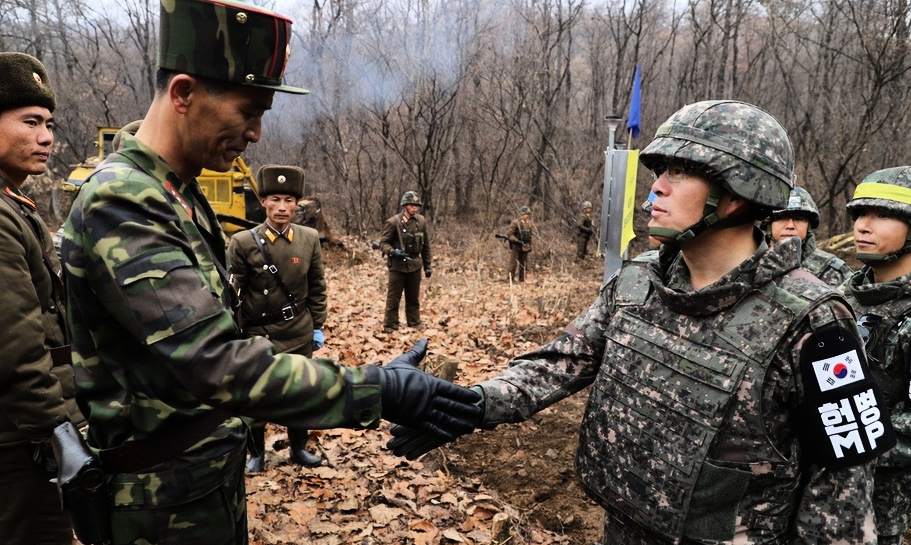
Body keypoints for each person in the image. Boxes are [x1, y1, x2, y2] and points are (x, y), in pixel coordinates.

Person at [59, 1, 481, 543]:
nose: (256, 134)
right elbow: (218, 364)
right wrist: (379, 390)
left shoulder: (176, 191)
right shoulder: (123, 201)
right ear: (184, 94)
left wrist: (370, 374)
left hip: (200, 479)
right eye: (249, 111)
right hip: (157, 502)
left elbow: (220, 340)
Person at [390, 100, 891, 544]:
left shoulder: (816, 322)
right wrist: (470, 405)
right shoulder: (639, 282)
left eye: (681, 173)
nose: (657, 188)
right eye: (660, 171)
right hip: (624, 525)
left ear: (737, 193)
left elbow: (842, 483)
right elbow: (558, 364)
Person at [0, 51, 84, 545]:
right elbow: (17, 350)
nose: (47, 136)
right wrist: (63, 436)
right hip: (19, 442)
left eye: (49, 123)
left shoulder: (16, 205)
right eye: (30, 122)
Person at [228, 165, 326, 472]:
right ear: (263, 202)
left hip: (298, 329)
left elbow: (317, 286)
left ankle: (298, 449)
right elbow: (233, 292)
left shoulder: (309, 239)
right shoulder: (243, 242)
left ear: (297, 204)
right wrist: (234, 331)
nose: (282, 207)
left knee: (300, 392)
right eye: (274, 199)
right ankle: (255, 453)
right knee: (257, 396)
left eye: (288, 200)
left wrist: (318, 326)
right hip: (259, 332)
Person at [842, 166, 911, 544]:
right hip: (817, 499)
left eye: (882, 215)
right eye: (859, 214)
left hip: (880, 506)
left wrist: (847, 438)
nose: (863, 226)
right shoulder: (839, 298)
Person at [766, 185, 852, 286]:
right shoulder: (750, 266)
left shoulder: (834, 271)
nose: (790, 226)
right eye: (781, 218)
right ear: (768, 224)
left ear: (809, 226)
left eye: (798, 219)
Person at [380, 191, 432, 331]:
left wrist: (428, 266)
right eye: (412, 205)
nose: (415, 208)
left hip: (415, 264)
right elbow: (383, 243)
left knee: (413, 298)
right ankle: (390, 325)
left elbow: (426, 245)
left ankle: (414, 322)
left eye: (416, 206)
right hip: (398, 265)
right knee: (393, 299)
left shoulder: (421, 221)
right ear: (405, 206)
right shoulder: (393, 222)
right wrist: (392, 251)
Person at [506, 206, 533, 282]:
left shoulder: (529, 223)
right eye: (526, 214)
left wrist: (530, 245)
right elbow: (509, 234)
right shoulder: (516, 222)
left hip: (525, 245)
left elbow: (530, 235)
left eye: (528, 214)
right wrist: (516, 240)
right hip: (516, 245)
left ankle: (521, 279)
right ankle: (510, 279)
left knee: (523, 263)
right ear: (522, 214)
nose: (527, 216)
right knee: (513, 263)